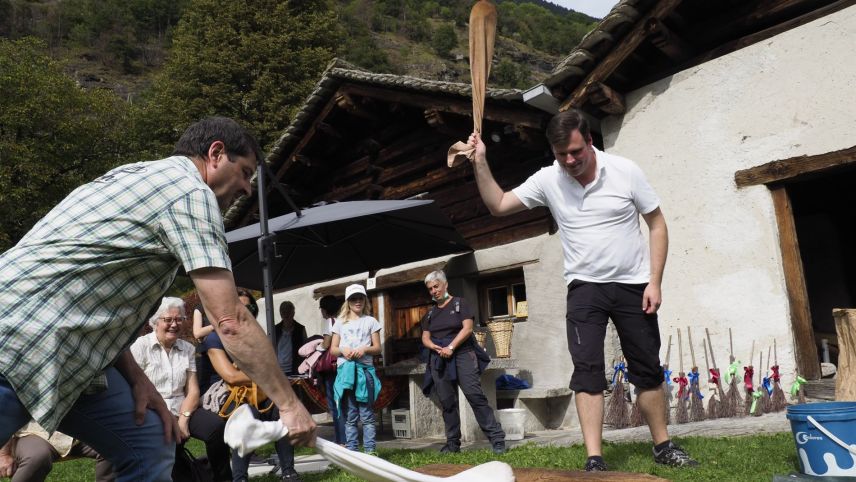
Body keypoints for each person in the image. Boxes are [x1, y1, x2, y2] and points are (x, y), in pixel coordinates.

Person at [0, 116, 316, 481]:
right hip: (18, 338)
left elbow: (92, 303)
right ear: (216, 153)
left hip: (77, 354)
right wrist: (290, 405)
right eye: (245, 172)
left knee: (150, 441)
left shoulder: (133, 175)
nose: (247, 189)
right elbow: (230, 320)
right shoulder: (191, 194)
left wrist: (139, 380)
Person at [467, 110, 697, 471]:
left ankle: (663, 445)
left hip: (633, 285)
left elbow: (657, 224)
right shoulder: (548, 180)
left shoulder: (625, 171)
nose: (570, 161)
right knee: (586, 371)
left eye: (576, 151)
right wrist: (480, 161)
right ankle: (594, 458)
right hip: (584, 288)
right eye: (562, 154)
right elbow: (498, 205)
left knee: (646, 368)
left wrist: (655, 281)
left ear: (589, 141)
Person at [130, 297, 232, 481]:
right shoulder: (140, 347)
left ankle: (223, 478)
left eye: (179, 319)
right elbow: (135, 387)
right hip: (152, 411)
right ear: (155, 322)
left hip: (182, 407)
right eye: (168, 320)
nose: (174, 324)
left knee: (216, 428)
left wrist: (184, 420)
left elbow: (193, 391)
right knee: (170, 447)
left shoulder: (187, 348)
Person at [197, 311, 301, 482]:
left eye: (249, 309)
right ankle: (240, 478)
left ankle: (289, 472)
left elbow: (270, 366)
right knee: (247, 414)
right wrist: (266, 374)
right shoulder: (213, 339)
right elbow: (230, 376)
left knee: (281, 409)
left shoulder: (251, 338)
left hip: (252, 390)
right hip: (220, 394)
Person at [420, 270, 506, 455]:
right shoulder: (430, 314)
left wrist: (450, 347)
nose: (434, 291)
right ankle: (452, 444)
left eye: (436, 286)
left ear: (445, 285)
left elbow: (467, 329)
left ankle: (497, 439)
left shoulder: (460, 304)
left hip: (462, 354)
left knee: (475, 396)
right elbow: (425, 338)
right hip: (439, 358)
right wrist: (435, 348)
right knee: (447, 402)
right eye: (430, 289)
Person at [330, 284, 382, 454]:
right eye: (353, 298)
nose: (357, 301)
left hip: (364, 372)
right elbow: (333, 349)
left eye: (360, 298)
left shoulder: (371, 321)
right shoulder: (339, 323)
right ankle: (352, 452)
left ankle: (370, 452)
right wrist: (343, 350)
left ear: (365, 299)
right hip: (347, 373)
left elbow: (377, 348)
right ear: (348, 301)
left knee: (367, 414)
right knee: (350, 415)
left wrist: (365, 349)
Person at [0, 422, 114, 482]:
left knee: (115, 445)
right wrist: (3, 453)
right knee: (37, 456)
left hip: (78, 425)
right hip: (32, 430)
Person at [318, 295, 346, 445]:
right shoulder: (344, 319)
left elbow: (326, 343)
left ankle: (341, 439)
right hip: (344, 365)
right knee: (344, 403)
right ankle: (347, 437)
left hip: (332, 369)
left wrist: (316, 349)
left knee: (335, 404)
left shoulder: (330, 321)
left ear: (325, 309)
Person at [275, 301, 308, 376]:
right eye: (283, 311)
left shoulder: (300, 329)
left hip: (295, 370)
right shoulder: (275, 329)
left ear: (293, 313)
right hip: (278, 370)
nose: (286, 314)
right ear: (280, 313)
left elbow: (305, 350)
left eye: (288, 311)